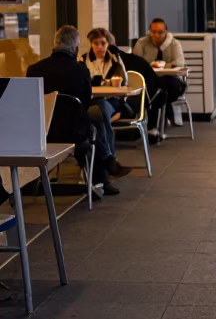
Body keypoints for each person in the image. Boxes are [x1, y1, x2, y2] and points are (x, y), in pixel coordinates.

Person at [27, 25, 130, 193]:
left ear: (54, 44)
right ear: (75, 47)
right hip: (72, 132)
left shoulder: (33, 70)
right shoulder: (80, 71)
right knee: (93, 123)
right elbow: (84, 103)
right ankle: (102, 175)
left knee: (93, 121)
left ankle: (104, 174)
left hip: (40, 132)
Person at [79, 27, 133, 169]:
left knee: (100, 110)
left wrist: (118, 58)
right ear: (91, 44)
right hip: (92, 100)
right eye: (95, 43)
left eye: (103, 43)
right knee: (97, 113)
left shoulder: (115, 60)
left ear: (109, 44)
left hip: (112, 101)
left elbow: (124, 82)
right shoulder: (83, 60)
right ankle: (108, 161)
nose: (99, 47)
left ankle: (106, 160)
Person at [133, 19, 186, 129]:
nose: (157, 35)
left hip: (172, 80)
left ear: (166, 31)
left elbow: (179, 62)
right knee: (157, 90)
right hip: (150, 81)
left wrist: (163, 65)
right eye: (153, 32)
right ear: (149, 31)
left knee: (161, 89)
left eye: (160, 32)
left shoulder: (174, 43)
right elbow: (136, 62)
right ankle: (166, 115)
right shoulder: (142, 43)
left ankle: (153, 127)